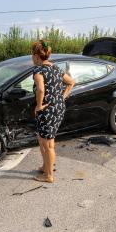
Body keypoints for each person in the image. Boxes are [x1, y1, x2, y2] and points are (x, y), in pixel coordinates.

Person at [32, 40, 75, 183]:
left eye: (32, 55)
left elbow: (41, 89)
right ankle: (46, 166)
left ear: (37, 55)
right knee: (43, 139)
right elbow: (71, 82)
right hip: (58, 108)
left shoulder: (38, 70)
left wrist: (38, 105)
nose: (32, 58)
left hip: (47, 110)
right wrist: (61, 98)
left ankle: (49, 175)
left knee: (48, 143)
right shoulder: (56, 68)